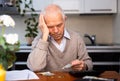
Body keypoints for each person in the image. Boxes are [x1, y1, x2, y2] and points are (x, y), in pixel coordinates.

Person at [27, 4, 93, 72]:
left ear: (65, 20)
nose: (56, 31)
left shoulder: (76, 38)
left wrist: (84, 66)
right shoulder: (39, 41)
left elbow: (89, 64)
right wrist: (44, 38)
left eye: (59, 25)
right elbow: (35, 68)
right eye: (50, 27)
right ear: (44, 26)